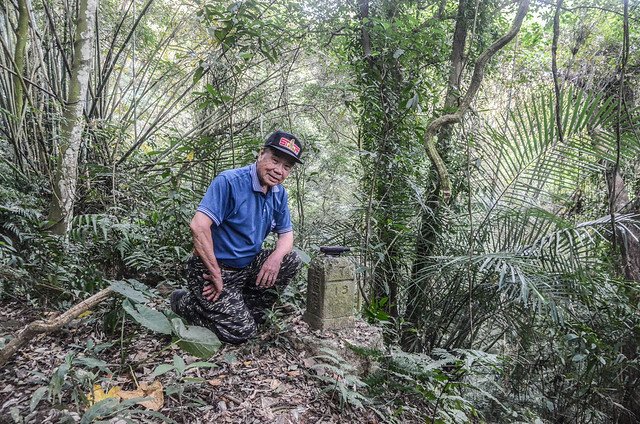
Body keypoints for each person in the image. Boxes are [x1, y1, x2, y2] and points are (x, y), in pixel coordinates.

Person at [170, 130, 303, 344]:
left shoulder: (279, 194)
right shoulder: (230, 182)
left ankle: (245, 308)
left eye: (286, 167)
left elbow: (286, 235)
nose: (279, 170)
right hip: (213, 269)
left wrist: (275, 258)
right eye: (275, 161)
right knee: (243, 333)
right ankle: (185, 303)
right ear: (261, 154)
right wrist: (215, 273)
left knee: (290, 259)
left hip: (246, 266)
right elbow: (199, 226)